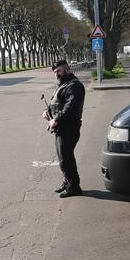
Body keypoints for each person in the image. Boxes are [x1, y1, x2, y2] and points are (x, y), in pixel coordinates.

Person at [42, 60, 85, 198]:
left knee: (66, 159)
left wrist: (56, 120)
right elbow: (56, 101)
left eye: (59, 71)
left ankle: (74, 186)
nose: (57, 74)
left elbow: (70, 108)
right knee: (63, 158)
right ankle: (67, 182)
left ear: (67, 69)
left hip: (69, 128)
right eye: (55, 72)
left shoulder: (74, 85)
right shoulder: (63, 84)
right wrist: (47, 112)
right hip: (60, 128)